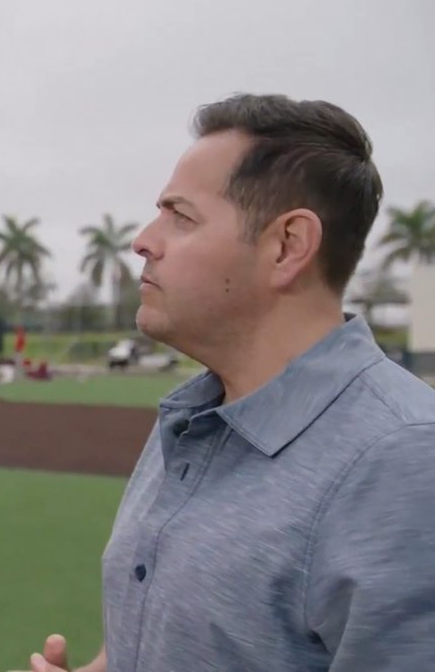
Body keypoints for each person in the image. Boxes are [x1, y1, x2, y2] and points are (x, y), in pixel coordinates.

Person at [28, 93, 435, 671]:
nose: (143, 240)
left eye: (181, 217)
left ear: (288, 246)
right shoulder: (192, 421)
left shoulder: (404, 462)